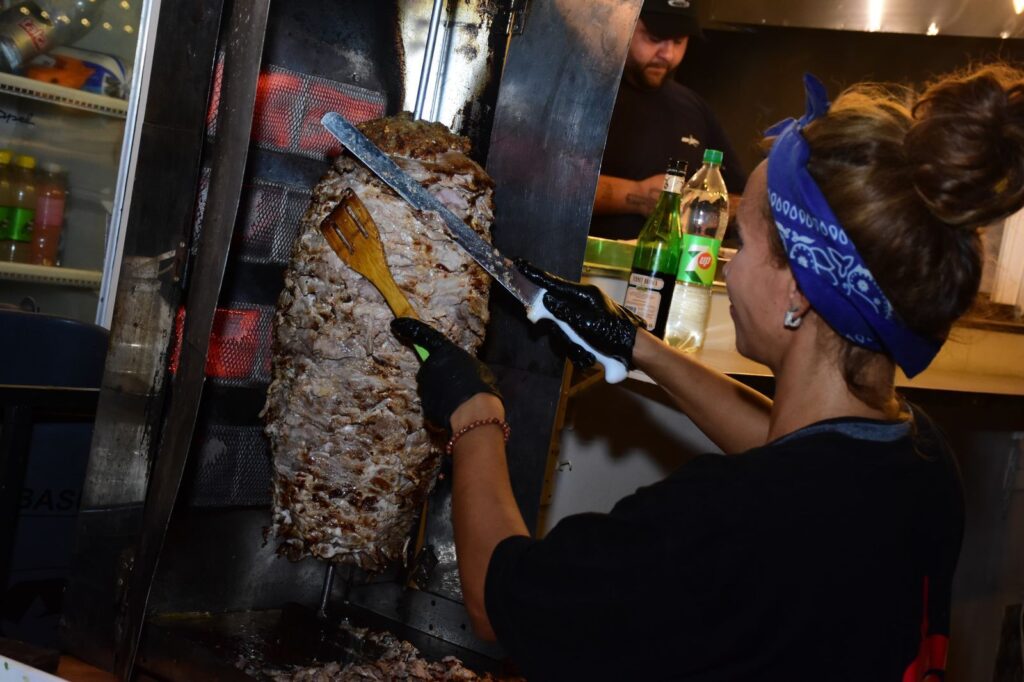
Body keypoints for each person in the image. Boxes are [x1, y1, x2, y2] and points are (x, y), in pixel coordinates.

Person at [391, 63, 1024, 680]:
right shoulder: (922, 460)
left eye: (740, 244)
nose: (727, 266)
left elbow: (499, 597)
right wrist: (636, 345)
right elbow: (797, 454)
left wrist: (475, 415)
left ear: (798, 290)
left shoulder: (727, 524)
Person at [591, 0, 747, 240]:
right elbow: (544, 184)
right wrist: (637, 195)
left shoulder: (693, 107)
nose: (668, 54)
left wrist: (701, 205)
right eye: (654, 38)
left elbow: (739, 198)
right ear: (624, 26)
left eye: (678, 41)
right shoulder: (584, 95)